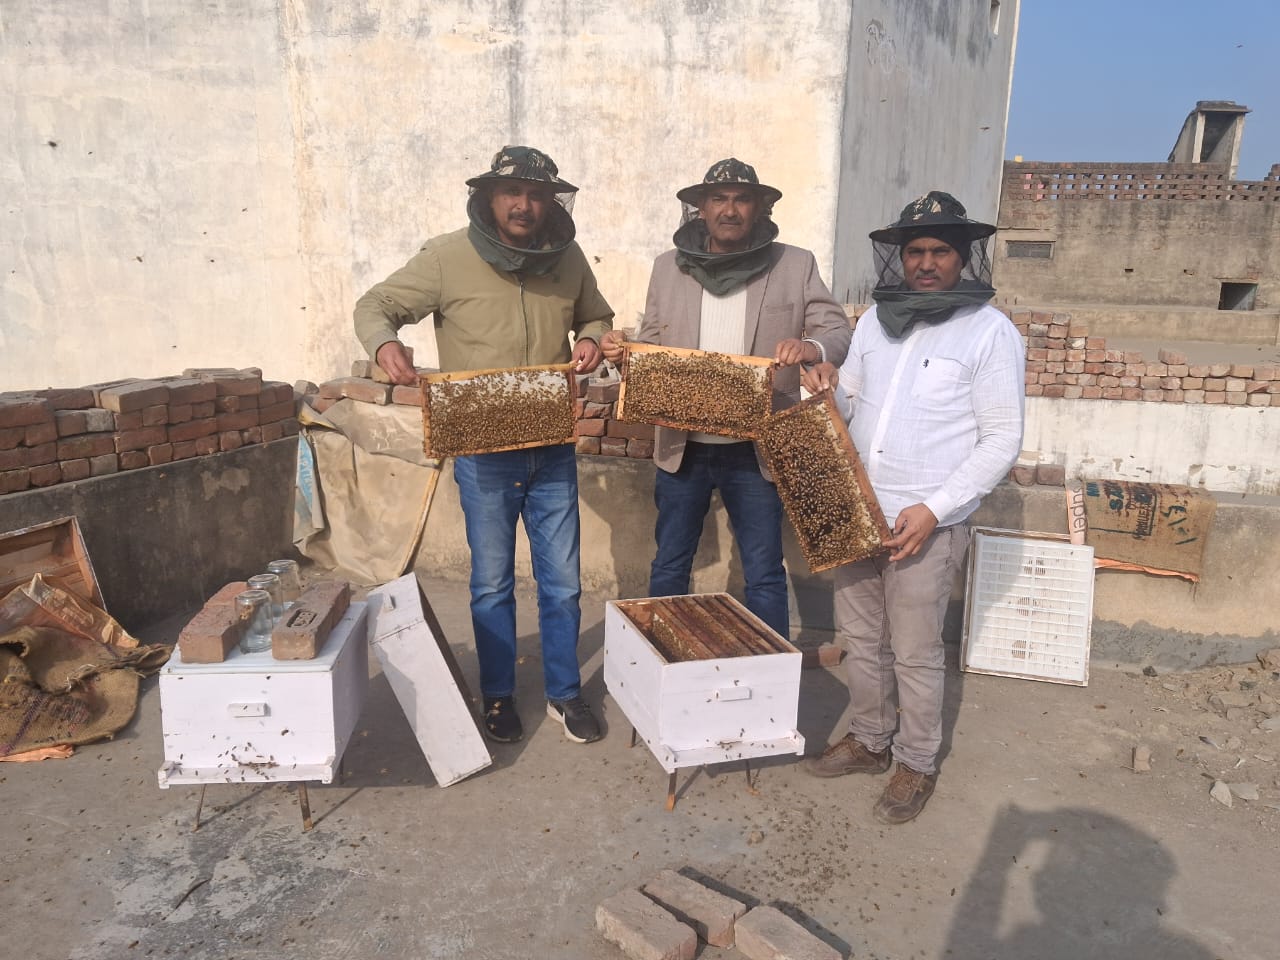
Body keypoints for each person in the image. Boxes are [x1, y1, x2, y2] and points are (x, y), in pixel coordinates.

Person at [353, 146, 613, 745]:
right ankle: (498, 694)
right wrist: (384, 344)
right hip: (482, 450)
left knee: (563, 582)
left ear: (551, 201)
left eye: (536, 194)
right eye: (512, 193)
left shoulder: (567, 256)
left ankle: (564, 693)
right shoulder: (447, 256)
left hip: (550, 445)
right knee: (492, 583)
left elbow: (596, 315)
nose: (524, 205)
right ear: (490, 197)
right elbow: (377, 305)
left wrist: (592, 338)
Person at [800, 191, 1025, 823]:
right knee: (860, 639)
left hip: (926, 524)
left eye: (940, 251)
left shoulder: (990, 333)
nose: (926, 263)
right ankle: (870, 740)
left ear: (963, 257)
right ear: (899, 257)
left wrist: (935, 507)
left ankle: (916, 762)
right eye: (916, 251)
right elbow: (851, 405)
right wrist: (826, 391)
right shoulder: (876, 322)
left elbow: (1001, 438)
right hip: (858, 510)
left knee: (917, 652)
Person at [600, 159, 851, 638]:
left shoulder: (795, 263)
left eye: (741, 199)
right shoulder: (667, 267)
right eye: (719, 199)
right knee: (670, 563)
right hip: (682, 448)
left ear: (759, 208)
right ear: (701, 207)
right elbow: (651, 345)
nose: (730, 210)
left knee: (764, 571)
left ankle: (768, 675)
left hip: (756, 450)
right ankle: (660, 661)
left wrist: (810, 348)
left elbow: (836, 329)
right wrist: (622, 351)